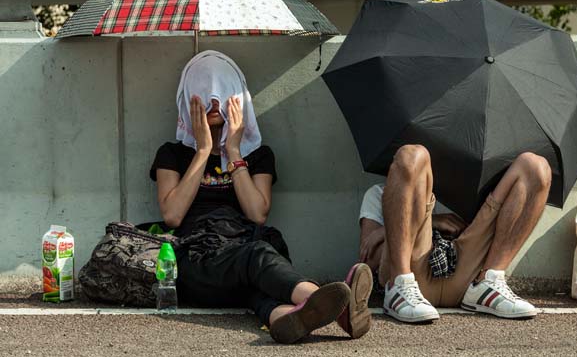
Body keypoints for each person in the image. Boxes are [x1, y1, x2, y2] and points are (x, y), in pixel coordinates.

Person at [150, 50, 373, 343]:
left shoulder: (258, 157)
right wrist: (203, 150)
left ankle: (283, 319)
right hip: (197, 260)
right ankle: (330, 304)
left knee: (261, 268)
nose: (214, 100)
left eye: (222, 90)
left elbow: (257, 213)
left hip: (245, 258)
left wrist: (233, 150)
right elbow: (172, 215)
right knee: (257, 255)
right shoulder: (173, 154)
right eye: (205, 89)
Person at [359, 144, 551, 323]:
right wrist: (435, 221)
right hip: (412, 273)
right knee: (411, 154)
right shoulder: (380, 193)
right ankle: (399, 286)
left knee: (535, 166)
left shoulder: (475, 191)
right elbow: (368, 263)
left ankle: (488, 283)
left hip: (468, 276)